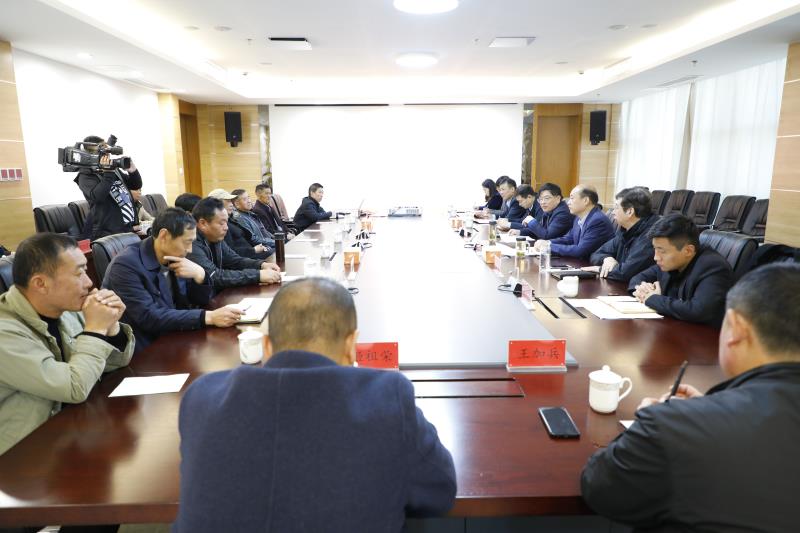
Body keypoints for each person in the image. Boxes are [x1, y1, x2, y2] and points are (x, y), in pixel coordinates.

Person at [173, 277, 457, 532]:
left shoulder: (202, 398)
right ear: (352, 346)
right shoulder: (386, 398)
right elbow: (440, 492)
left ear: (267, 346)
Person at [582, 263, 800, 532]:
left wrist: (656, 423)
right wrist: (710, 408)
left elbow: (599, 487)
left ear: (736, 328)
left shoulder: (673, 426)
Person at [0, 233, 134, 455]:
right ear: (41, 284)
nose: (89, 282)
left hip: (75, 430)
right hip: (25, 455)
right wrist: (96, 329)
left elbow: (115, 363)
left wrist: (111, 327)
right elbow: (74, 388)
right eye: (79, 273)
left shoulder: (64, 308)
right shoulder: (5, 333)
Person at [103, 208, 243, 353]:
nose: (190, 250)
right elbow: (149, 317)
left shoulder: (174, 256)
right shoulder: (125, 266)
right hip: (144, 348)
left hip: (175, 334)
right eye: (187, 242)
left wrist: (200, 275)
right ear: (164, 236)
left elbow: (199, 301)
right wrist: (209, 317)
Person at [629, 214, 734, 327]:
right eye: (655, 249)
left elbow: (697, 311)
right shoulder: (669, 262)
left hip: (701, 334)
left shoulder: (713, 267)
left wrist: (653, 298)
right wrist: (645, 289)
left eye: (662, 251)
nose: (656, 257)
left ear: (688, 251)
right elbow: (637, 279)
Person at [187, 197, 281, 291]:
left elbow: (235, 261)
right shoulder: (191, 242)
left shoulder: (215, 236)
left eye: (226, 222)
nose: (226, 228)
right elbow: (214, 276)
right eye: (221, 223)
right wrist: (257, 275)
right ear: (203, 223)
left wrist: (261, 265)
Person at [74, 135, 142, 239]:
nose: (107, 154)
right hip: (107, 233)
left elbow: (135, 185)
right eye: (103, 151)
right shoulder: (85, 175)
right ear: (91, 154)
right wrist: (108, 173)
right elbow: (97, 197)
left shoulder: (113, 170)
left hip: (127, 229)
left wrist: (133, 171)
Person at [587, 187, 659, 281]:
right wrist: (607, 258)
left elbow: (626, 272)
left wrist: (599, 269)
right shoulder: (625, 230)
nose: (613, 212)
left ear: (629, 211)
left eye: (616, 207)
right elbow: (596, 254)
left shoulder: (651, 234)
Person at [533, 185, 614, 259]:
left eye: (572, 198)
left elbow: (580, 251)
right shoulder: (579, 217)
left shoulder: (597, 220)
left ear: (586, 200)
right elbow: (569, 238)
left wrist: (548, 247)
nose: (568, 202)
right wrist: (547, 242)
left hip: (593, 266)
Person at [207, 189, 272, 260]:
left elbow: (249, 237)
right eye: (228, 201)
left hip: (251, 254)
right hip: (246, 258)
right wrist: (253, 250)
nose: (232, 204)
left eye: (231, 201)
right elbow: (230, 252)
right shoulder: (222, 225)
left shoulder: (232, 219)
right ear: (217, 204)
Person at [509, 182, 573, 240]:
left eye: (546, 198)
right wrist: (520, 232)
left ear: (558, 198)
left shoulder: (562, 213)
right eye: (540, 199)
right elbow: (540, 230)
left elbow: (547, 236)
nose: (543, 202)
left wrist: (531, 221)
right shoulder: (550, 209)